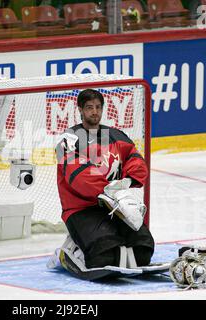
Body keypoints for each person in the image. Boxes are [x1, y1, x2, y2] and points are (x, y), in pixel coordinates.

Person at [54, 88, 154, 276]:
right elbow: (79, 177)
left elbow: (136, 160)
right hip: (81, 209)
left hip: (114, 206)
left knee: (143, 250)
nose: (94, 112)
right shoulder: (68, 141)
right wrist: (111, 191)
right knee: (102, 257)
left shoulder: (116, 135)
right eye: (90, 107)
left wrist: (128, 181)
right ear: (80, 110)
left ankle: (114, 246)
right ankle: (69, 253)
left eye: (98, 107)